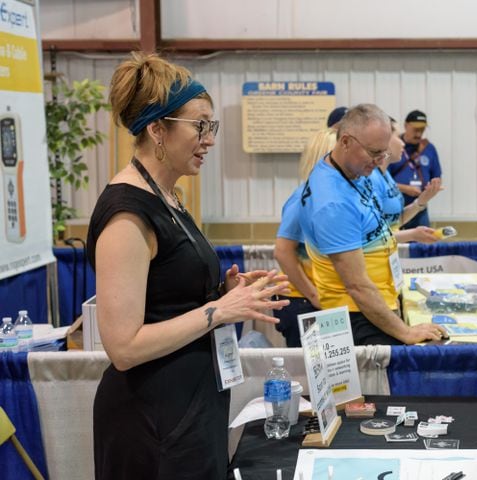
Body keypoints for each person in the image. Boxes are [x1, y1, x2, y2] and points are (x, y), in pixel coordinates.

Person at [87, 52, 289, 479]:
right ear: (157, 130)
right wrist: (219, 311)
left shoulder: (169, 198)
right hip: (152, 421)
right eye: (200, 126)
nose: (210, 139)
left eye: (211, 126)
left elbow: (168, 299)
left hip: (190, 406)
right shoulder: (128, 215)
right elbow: (123, 348)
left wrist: (223, 294)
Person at [298, 103, 446, 345]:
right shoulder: (333, 203)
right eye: (373, 153)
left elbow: (377, 232)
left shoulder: (352, 171)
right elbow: (357, 286)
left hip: (372, 309)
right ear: (345, 142)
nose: (379, 162)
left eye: (383, 153)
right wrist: (406, 332)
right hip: (356, 319)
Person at [273, 128, 337, 347]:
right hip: (303, 300)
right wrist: (314, 295)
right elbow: (283, 251)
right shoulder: (304, 197)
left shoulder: (328, 196)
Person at [369, 118, 442, 243]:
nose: (402, 143)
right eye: (397, 137)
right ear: (384, 141)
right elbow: (370, 236)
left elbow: (396, 220)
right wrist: (412, 235)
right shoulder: (371, 179)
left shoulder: (385, 175)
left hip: (389, 257)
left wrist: (420, 201)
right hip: (375, 258)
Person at [388, 109, 442, 229]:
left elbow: (437, 176)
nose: (419, 134)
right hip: (397, 206)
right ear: (406, 126)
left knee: (423, 245)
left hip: (420, 208)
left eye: (422, 130)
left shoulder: (429, 148)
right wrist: (405, 189)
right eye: (415, 129)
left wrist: (432, 188)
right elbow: (382, 182)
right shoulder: (394, 148)